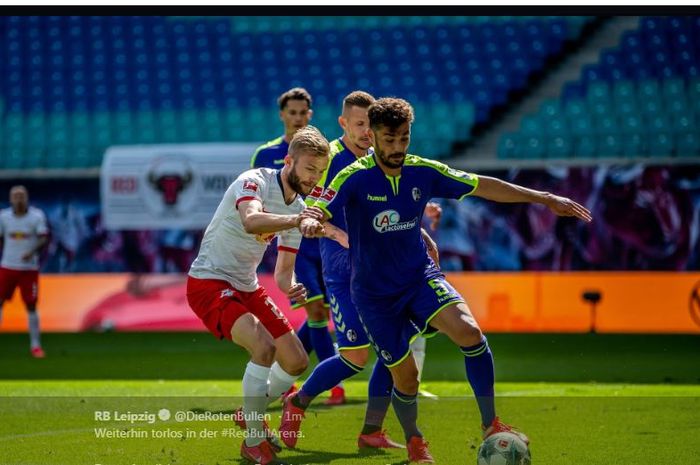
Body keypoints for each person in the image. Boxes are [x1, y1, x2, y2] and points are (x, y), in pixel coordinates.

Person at [297, 98, 592, 463]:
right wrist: (311, 219)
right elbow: (318, 205)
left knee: (470, 333)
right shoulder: (352, 176)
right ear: (372, 137)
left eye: (403, 139)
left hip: (419, 277)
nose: (397, 149)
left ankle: (492, 424)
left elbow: (483, 185)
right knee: (406, 378)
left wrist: (544, 198)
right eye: (389, 140)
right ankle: (413, 438)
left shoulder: (423, 171)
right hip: (373, 295)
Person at [279, 91, 441, 450]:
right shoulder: (331, 159)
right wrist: (337, 233)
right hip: (343, 272)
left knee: (395, 348)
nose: (368, 131)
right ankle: (298, 401)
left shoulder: (376, 160)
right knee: (354, 357)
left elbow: (391, 211)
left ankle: (371, 431)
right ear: (344, 124)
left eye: (372, 125)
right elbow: (312, 214)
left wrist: (421, 233)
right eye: (360, 125)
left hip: (380, 270)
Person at [186, 126, 339, 465]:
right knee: (264, 348)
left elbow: (283, 273)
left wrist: (293, 286)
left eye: (320, 171)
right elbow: (251, 221)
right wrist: (296, 219)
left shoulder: (299, 205)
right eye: (309, 168)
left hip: (247, 284)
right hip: (208, 281)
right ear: (289, 161)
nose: (315, 178)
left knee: (297, 361)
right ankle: (253, 442)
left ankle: (249, 411)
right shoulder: (254, 180)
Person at [251, 87, 343, 404]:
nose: (298, 118)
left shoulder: (324, 153)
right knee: (316, 308)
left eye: (303, 113)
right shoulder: (265, 155)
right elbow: (255, 203)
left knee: (319, 314)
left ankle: (283, 366)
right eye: (292, 113)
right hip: (296, 244)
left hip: (323, 243)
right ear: (282, 115)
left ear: (310, 115)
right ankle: (334, 385)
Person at [0, 185, 49, 358]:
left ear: (27, 198)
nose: (19, 199)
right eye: (15, 196)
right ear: (11, 199)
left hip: (28, 270)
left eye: (22, 196)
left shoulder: (36, 216)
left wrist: (31, 251)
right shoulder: (4, 217)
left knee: (31, 305)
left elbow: (43, 238)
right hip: (7, 267)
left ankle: (35, 346)